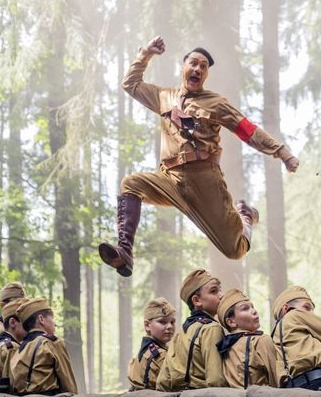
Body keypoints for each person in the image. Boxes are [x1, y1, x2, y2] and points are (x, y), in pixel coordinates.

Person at [99, 35, 299, 277]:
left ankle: (244, 216)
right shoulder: (164, 97)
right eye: (193, 63)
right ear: (183, 67)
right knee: (131, 184)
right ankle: (125, 252)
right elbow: (130, 84)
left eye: (203, 67)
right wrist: (146, 54)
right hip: (170, 179)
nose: (198, 69)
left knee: (233, 250)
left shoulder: (215, 103)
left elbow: (247, 130)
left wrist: (283, 153)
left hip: (204, 178)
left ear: (205, 75)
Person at [271, 286, 321, 392]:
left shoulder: (275, 336)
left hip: (296, 390)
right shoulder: (294, 315)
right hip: (318, 385)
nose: (311, 314)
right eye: (307, 307)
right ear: (286, 308)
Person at [156, 269, 227, 390]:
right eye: (214, 291)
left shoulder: (180, 332)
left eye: (220, 290)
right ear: (197, 301)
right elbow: (216, 380)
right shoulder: (211, 328)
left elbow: (162, 381)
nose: (222, 295)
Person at [10, 297, 77, 395]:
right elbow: (68, 385)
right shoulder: (52, 343)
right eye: (52, 318)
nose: (55, 323)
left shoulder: (18, 350)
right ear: (41, 319)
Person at [216, 288, 278, 388]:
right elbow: (277, 379)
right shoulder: (260, 340)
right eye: (245, 308)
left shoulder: (225, 347)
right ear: (231, 322)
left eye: (252, 307)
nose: (254, 311)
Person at [128, 297, 176, 390]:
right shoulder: (160, 356)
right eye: (162, 322)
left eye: (172, 322)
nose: (170, 326)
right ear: (147, 325)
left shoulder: (145, 351)